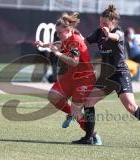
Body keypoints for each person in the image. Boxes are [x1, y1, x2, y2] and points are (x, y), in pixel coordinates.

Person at [67, 5, 140, 149]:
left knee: (131, 107)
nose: (102, 26)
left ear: (112, 21)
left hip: (120, 74)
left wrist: (108, 33)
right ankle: (89, 137)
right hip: (106, 76)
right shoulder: (99, 32)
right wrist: (76, 42)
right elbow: (85, 42)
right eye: (100, 23)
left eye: (104, 23)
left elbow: (115, 37)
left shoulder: (118, 32)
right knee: (88, 102)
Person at [35, 12, 102, 145]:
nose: (58, 34)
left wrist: (57, 53)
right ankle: (72, 114)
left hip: (85, 78)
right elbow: (60, 43)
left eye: (59, 32)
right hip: (71, 77)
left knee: (77, 110)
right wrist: (44, 45)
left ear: (68, 30)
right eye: (57, 32)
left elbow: (74, 62)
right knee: (53, 96)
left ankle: (93, 135)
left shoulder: (75, 41)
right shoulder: (67, 38)